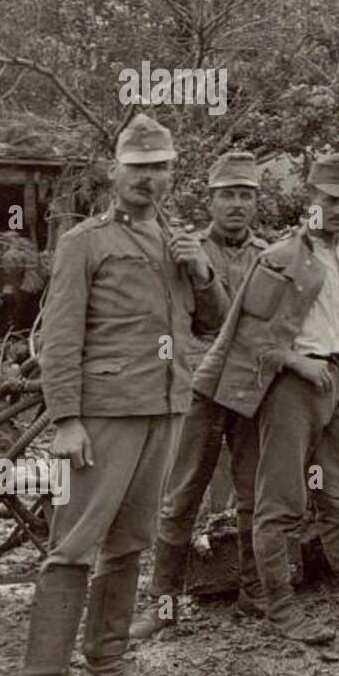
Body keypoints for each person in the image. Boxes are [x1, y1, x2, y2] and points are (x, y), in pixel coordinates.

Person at [22, 114, 229, 676]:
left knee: (130, 544)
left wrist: (204, 272)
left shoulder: (179, 242)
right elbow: (61, 337)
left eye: (159, 167)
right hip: (102, 414)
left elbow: (213, 322)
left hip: (165, 411)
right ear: (115, 172)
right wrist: (66, 420)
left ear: (171, 174)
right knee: (73, 546)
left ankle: (106, 666)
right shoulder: (85, 242)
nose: (149, 178)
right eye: (138, 168)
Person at [194, 153, 339, 645]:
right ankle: (279, 607)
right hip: (294, 389)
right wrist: (295, 362)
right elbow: (249, 337)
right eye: (330, 201)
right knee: (282, 500)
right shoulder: (283, 257)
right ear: (310, 201)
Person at [132, 151, 267, 639]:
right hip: (200, 389)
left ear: (256, 203)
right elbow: (180, 325)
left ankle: (256, 597)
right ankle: (163, 608)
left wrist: (206, 279)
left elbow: (244, 326)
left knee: (256, 496)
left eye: (245, 195)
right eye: (227, 194)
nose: (236, 204)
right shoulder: (181, 250)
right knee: (181, 497)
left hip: (252, 389)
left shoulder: (268, 258)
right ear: (210, 200)